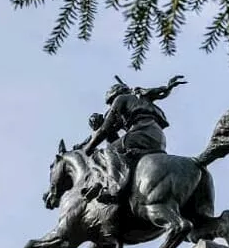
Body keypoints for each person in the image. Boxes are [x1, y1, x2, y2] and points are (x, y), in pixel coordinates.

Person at [79, 75, 187, 203]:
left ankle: (114, 188)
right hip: (157, 138)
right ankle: (103, 183)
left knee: (105, 153)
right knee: (118, 149)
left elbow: (104, 130)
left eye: (110, 103)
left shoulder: (121, 99)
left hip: (141, 133)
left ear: (114, 96)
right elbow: (111, 134)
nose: (111, 106)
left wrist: (88, 149)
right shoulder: (140, 101)